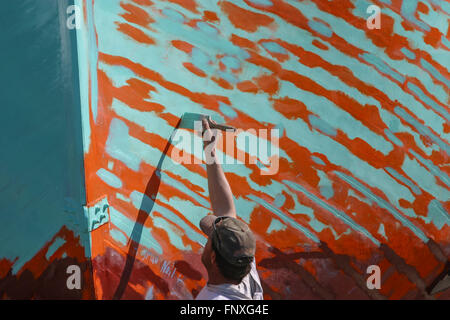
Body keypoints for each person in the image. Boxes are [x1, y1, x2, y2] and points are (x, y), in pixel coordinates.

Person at [195, 118, 264, 300]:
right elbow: (226, 211)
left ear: (214, 259)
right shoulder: (242, 267)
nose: (205, 242)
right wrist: (210, 151)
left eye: (209, 238)